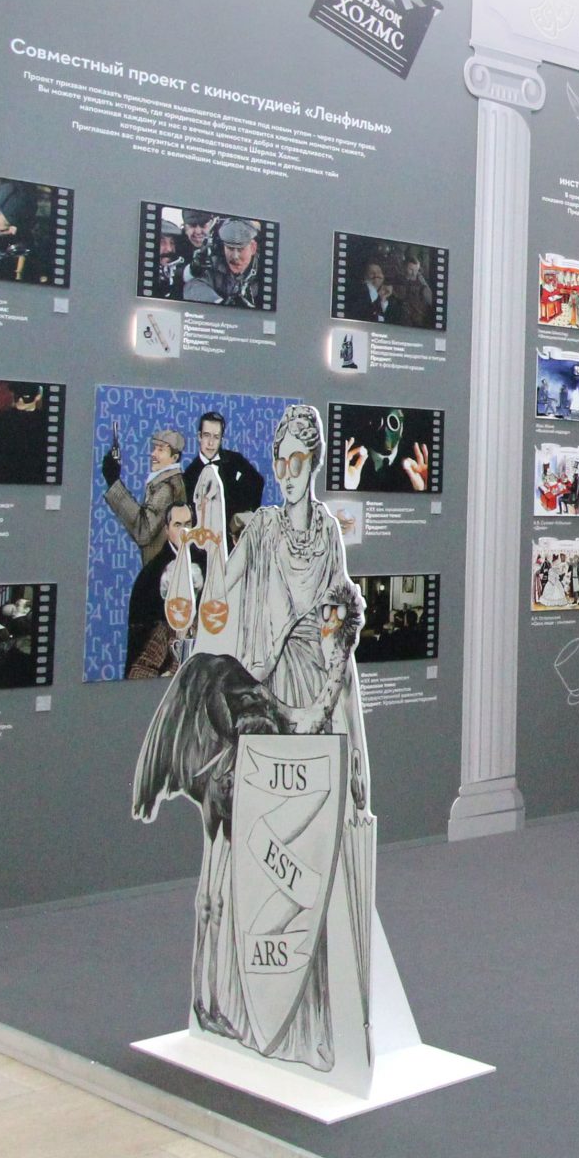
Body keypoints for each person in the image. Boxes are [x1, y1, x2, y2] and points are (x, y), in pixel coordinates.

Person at [132, 403, 373, 1069]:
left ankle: (307, 1028)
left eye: (299, 460)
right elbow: (224, 588)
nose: (288, 471)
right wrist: (199, 572)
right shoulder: (262, 528)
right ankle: (233, 1004)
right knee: (251, 850)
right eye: (280, 460)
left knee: (310, 856)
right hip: (264, 704)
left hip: (315, 700)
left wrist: (348, 730)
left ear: (314, 463)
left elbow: (339, 626)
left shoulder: (327, 535)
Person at [103, 428, 192, 677]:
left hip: (160, 591)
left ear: (174, 457)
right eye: (154, 448)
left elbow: (143, 530)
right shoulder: (163, 483)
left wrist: (114, 484)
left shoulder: (167, 488)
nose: (153, 454)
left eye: (160, 449)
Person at [184, 411, 266, 542]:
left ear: (221, 439)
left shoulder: (235, 460)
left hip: (235, 540)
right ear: (199, 436)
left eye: (216, 437)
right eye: (207, 435)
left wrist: (243, 514)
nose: (211, 443)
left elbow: (257, 482)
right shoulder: (189, 475)